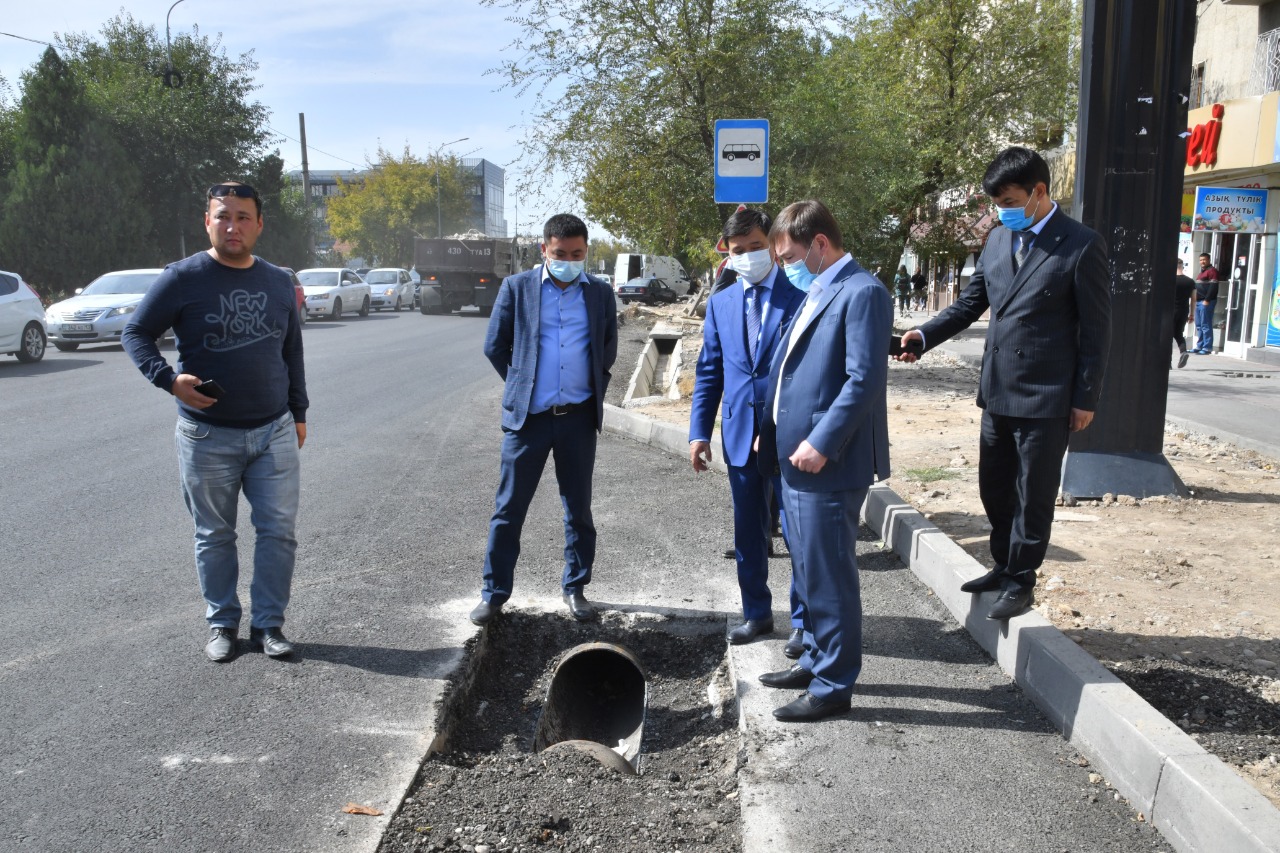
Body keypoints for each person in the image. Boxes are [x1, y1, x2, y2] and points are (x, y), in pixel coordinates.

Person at [897, 147, 1111, 621]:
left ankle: (1021, 579)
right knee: (994, 488)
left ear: (1039, 192)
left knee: (1033, 494)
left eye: (1009, 201)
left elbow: (1097, 332)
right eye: (996, 204)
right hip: (997, 391)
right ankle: (1001, 564)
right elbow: (969, 304)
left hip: (1047, 396)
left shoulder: (1080, 244)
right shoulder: (997, 240)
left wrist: (1085, 397)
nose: (1002, 212)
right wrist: (924, 335)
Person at [122, 181, 308, 662]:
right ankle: (222, 623)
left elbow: (291, 349)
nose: (232, 226)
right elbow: (136, 332)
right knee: (214, 535)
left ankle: (268, 625)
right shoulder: (182, 278)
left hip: (274, 431)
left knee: (278, 532)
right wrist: (168, 379)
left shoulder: (277, 280)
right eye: (223, 216)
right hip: (206, 435)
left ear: (259, 224)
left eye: (243, 217)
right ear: (207, 222)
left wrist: (299, 411)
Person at [755, 200, 892, 722]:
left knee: (830, 576)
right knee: (809, 569)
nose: (785, 266)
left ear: (818, 243)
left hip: (826, 461)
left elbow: (863, 379)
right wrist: (770, 429)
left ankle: (834, 684)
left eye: (790, 256)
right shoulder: (819, 288)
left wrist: (822, 440)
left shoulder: (862, 291)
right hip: (794, 458)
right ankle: (814, 658)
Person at [472, 213, 618, 626]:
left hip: (577, 420)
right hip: (529, 422)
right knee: (508, 509)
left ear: (586, 251)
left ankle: (576, 588)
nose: (568, 261)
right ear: (544, 250)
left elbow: (607, 348)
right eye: (560, 253)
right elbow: (495, 346)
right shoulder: (517, 288)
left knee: (578, 510)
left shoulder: (599, 293)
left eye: (577, 254)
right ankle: (494, 594)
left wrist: (592, 387)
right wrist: (522, 385)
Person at [689, 208, 808, 654]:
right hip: (739, 434)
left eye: (756, 246)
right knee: (748, 533)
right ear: (728, 253)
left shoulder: (801, 295)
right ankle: (756, 613)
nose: (748, 255)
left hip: (791, 435)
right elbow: (709, 372)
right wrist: (699, 432)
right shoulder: (721, 303)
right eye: (739, 250)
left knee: (798, 534)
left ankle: (804, 623)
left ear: (773, 245)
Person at [1193, 253, 1220, 354]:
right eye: (1201, 260)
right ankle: (1199, 346)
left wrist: (1207, 300)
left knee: (1205, 324)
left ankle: (1207, 347)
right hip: (1199, 302)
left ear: (1209, 260)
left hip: (1206, 302)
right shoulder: (1201, 273)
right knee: (1199, 325)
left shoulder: (1212, 271)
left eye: (1204, 260)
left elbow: (1213, 287)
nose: (1202, 262)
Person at [1173, 259, 1195, 368]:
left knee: (1167, 335)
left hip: (1171, 311)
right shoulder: (1190, 282)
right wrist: (1192, 314)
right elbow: (1194, 299)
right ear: (1182, 266)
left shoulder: (1170, 280)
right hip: (1183, 311)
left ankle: (1167, 363)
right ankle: (1183, 351)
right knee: (1178, 333)